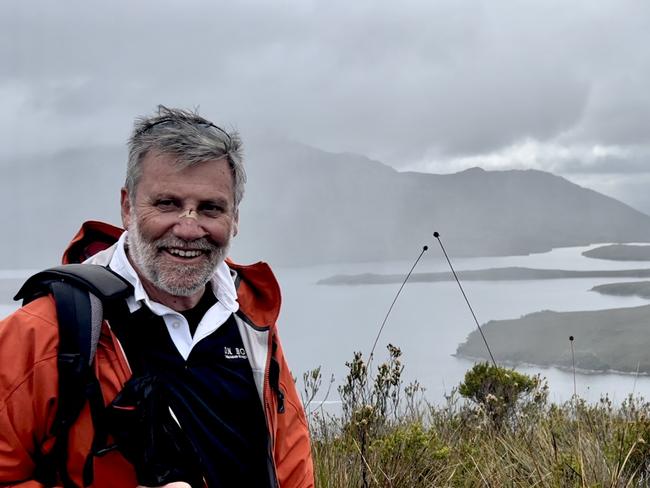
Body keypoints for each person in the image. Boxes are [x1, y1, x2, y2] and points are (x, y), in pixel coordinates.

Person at [0, 106, 314, 487]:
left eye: (211, 208)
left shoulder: (252, 324)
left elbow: (292, 470)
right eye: (167, 203)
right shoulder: (47, 332)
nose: (188, 228)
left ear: (235, 218)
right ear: (127, 207)